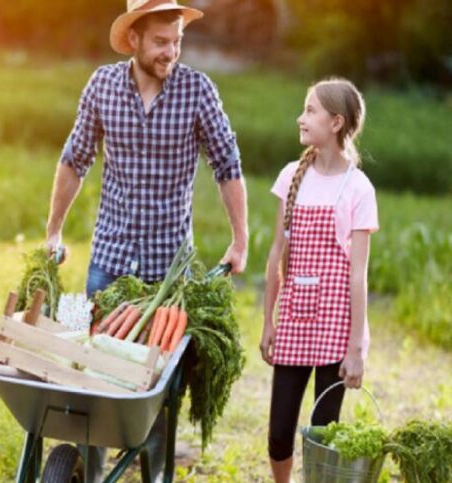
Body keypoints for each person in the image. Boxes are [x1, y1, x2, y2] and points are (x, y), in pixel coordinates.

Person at [45, 0, 248, 480]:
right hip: (109, 262)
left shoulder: (197, 90)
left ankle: (155, 474)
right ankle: (90, 472)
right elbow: (75, 159)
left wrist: (240, 240)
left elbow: (227, 164)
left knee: (157, 388)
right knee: (91, 373)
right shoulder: (102, 85)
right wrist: (53, 230)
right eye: (160, 41)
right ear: (133, 38)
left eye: (177, 41)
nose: (170, 52)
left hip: (168, 273)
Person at [260, 78, 378, 482]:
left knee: (323, 435)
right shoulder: (292, 175)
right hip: (294, 319)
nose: (301, 118)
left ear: (336, 122)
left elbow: (358, 274)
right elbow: (277, 254)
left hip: (335, 325)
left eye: (310, 110)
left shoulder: (358, 187)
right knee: (279, 434)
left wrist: (356, 347)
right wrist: (268, 321)